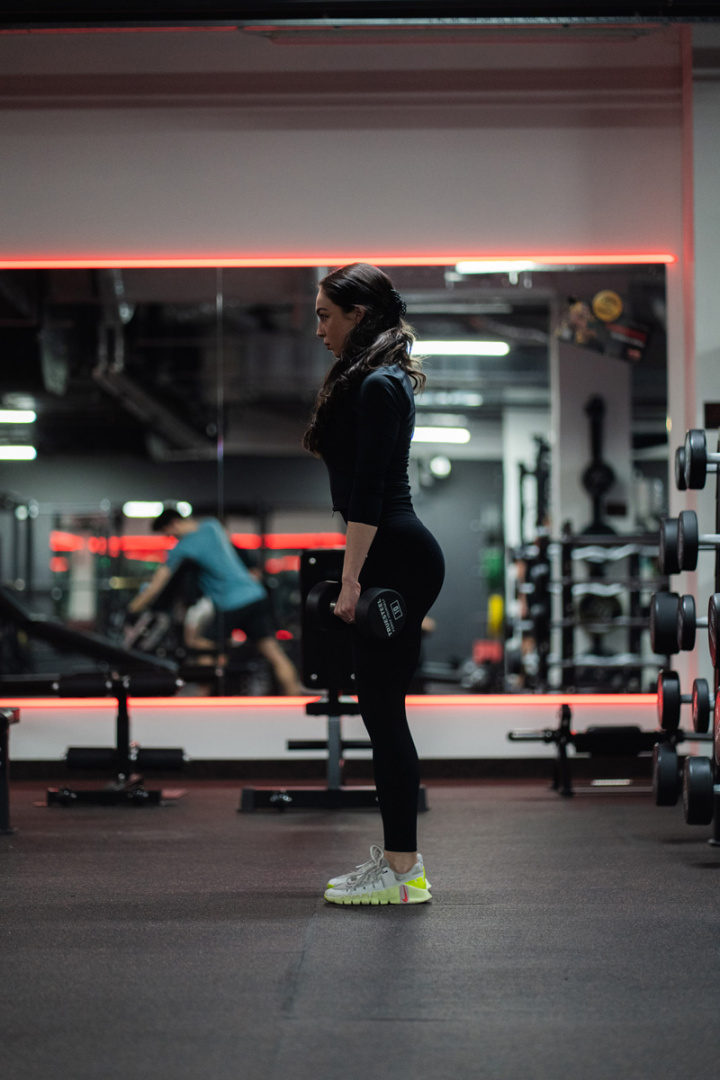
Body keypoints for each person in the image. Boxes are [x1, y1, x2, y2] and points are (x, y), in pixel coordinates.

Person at [303, 263, 445, 906]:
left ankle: (403, 873)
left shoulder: (380, 385)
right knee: (380, 713)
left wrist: (351, 580)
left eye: (325, 316)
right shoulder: (370, 379)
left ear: (357, 315)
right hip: (390, 552)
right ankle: (398, 865)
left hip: (396, 557)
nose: (319, 330)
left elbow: (367, 494)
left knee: (384, 716)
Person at [128, 510, 302, 695]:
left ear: (173, 524)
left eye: (168, 534)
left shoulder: (183, 547)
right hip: (254, 595)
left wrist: (133, 608)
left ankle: (203, 698)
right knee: (274, 653)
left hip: (231, 603)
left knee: (203, 648)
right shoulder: (212, 525)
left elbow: (157, 585)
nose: (172, 538)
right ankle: (294, 697)